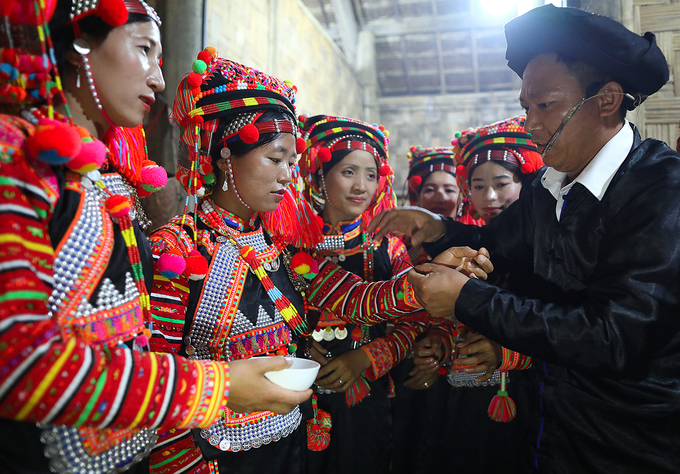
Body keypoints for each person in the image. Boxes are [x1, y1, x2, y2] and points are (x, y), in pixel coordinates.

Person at [369, 4, 680, 472]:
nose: (530, 123)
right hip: (547, 427)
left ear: (608, 99)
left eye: (546, 106)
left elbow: (613, 334)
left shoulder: (661, 191)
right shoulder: (546, 188)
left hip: (627, 439)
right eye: (525, 108)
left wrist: (467, 299)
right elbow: (495, 245)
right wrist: (437, 231)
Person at [0, 2, 307, 473]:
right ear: (81, 44)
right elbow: (15, 362)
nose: (159, 81)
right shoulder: (16, 162)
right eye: (144, 51)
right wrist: (217, 386)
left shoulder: (106, 184)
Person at [147, 52, 454, 474]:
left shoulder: (282, 249)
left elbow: (354, 298)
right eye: (275, 159)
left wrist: (424, 281)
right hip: (215, 458)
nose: (288, 175)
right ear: (224, 157)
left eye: (293, 162)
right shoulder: (178, 251)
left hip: (291, 448)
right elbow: (156, 373)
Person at [298, 115, 438, 473]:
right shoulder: (293, 245)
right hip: (298, 397)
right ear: (318, 175)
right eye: (348, 172)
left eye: (371, 175)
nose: (361, 186)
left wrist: (363, 360)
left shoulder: (389, 248)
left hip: (369, 399)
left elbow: (415, 322)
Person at [408, 116, 542, 474]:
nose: (490, 197)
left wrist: (509, 353)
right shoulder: (464, 246)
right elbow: (445, 317)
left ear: (527, 182)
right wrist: (437, 339)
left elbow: (575, 328)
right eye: (478, 186)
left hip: (526, 400)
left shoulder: (547, 250)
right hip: (459, 399)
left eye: (501, 183)